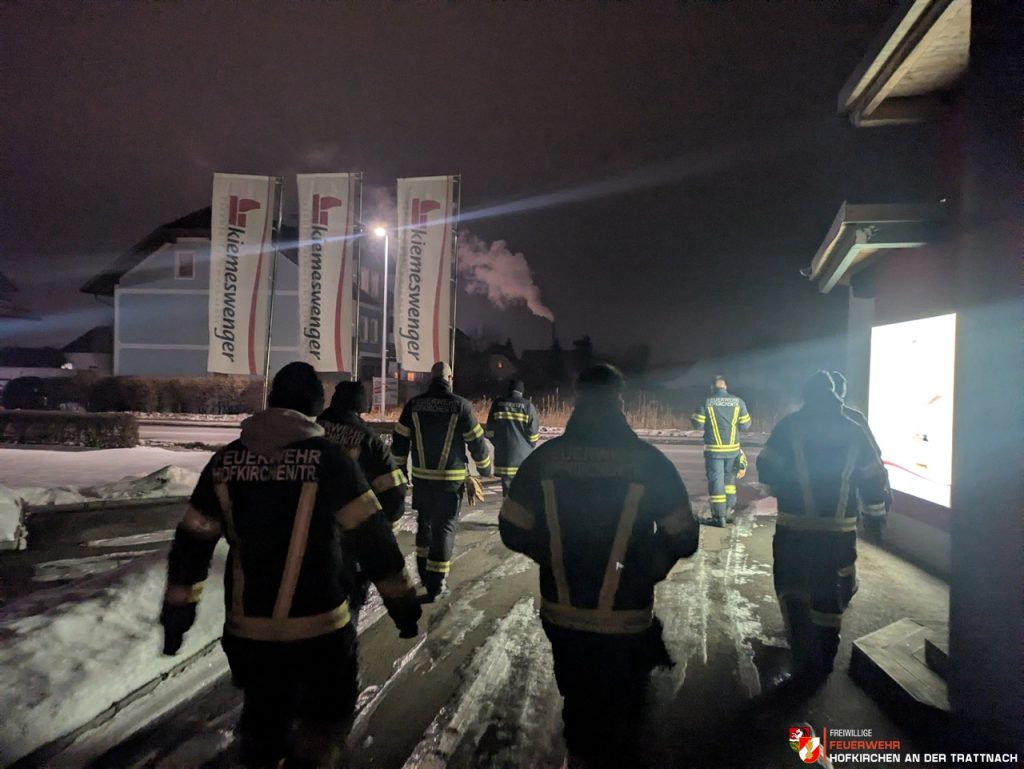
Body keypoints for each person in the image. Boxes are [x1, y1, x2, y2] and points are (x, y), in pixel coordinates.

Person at [159, 362, 421, 769]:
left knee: (263, 722)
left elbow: (191, 545)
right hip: (321, 632)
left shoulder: (225, 463)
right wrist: (403, 605)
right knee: (322, 727)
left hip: (249, 632)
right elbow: (374, 541)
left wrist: (177, 616)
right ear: (315, 405)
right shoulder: (330, 461)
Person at [499, 364, 700, 769]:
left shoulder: (545, 460)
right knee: (625, 713)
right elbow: (684, 536)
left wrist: (552, 554)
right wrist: (646, 568)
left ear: (579, 398)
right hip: (627, 617)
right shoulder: (648, 461)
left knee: (579, 707)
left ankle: (581, 755)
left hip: (564, 616)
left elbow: (512, 528)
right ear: (619, 399)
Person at [757, 371, 889, 688]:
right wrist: (874, 517)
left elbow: (766, 466)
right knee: (829, 593)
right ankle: (825, 658)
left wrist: (783, 485)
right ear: (836, 396)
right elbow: (874, 476)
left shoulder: (789, 426)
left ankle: (801, 648)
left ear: (806, 396)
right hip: (838, 531)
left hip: (794, 528)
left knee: (791, 586)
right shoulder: (854, 429)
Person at [391, 361, 492, 600]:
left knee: (425, 523)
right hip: (450, 480)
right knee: (444, 527)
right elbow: (476, 441)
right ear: (450, 379)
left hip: (422, 479)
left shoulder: (414, 405)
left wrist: (399, 471)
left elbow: (399, 441)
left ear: (431, 378)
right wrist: (485, 468)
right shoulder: (461, 405)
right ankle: (437, 585)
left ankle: (425, 574)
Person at [318, 380, 409, 626]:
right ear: (361, 405)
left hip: (304, 535)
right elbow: (394, 491)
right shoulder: (369, 440)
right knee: (347, 606)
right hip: (350, 538)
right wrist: (380, 525)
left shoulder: (311, 430)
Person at [830, 370, 893, 537]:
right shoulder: (855, 419)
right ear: (842, 392)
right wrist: (875, 518)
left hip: (804, 511)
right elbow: (873, 462)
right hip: (845, 504)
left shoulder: (799, 421)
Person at [690, 375, 752, 526]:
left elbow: (697, 424)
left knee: (716, 482)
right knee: (729, 482)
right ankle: (728, 511)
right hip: (733, 450)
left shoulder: (707, 401)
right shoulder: (738, 402)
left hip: (714, 451)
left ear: (712, 387)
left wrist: (694, 416)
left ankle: (719, 517)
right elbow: (746, 425)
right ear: (726, 386)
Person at [485, 378, 540, 496]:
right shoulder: (528, 406)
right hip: (523, 459)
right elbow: (533, 436)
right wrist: (527, 447)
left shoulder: (497, 404)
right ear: (521, 391)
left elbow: (489, 432)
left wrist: (499, 444)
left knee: (507, 494)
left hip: (504, 457)